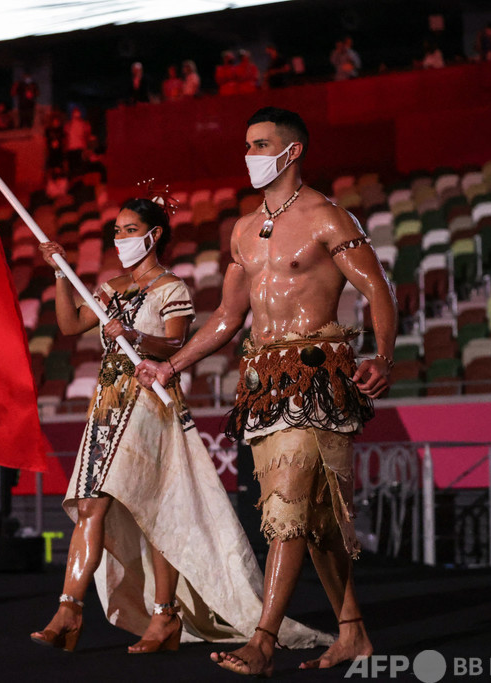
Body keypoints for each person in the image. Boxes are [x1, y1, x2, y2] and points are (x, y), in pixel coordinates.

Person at [137, 107, 396, 676]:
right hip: (262, 384)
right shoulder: (243, 230)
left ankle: (263, 640)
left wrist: (383, 355)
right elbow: (228, 319)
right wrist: (172, 364)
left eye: (260, 144)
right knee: (318, 517)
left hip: (317, 375)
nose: (250, 155)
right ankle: (351, 632)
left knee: (286, 508)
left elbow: (377, 287)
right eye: (247, 145)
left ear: (292, 150)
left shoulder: (329, 218)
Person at [31, 191, 331, 657]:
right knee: (90, 504)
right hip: (108, 405)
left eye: (129, 230)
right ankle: (69, 610)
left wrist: (133, 335)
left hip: (149, 403)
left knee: (153, 511)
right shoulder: (113, 286)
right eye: (116, 231)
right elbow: (70, 326)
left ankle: (164, 615)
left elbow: (175, 347)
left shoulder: (174, 289)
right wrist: (59, 274)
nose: (120, 239)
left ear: (154, 236)